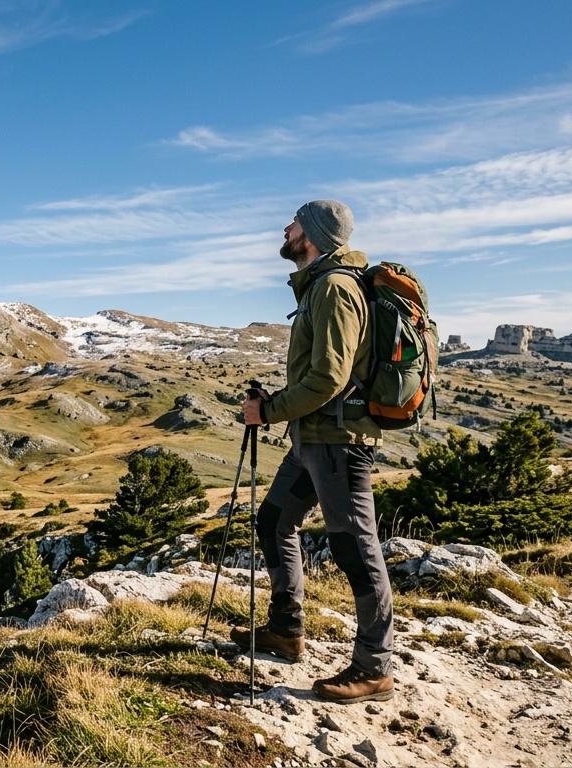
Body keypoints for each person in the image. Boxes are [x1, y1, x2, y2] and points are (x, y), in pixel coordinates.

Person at [231, 199, 395, 704]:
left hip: (339, 446)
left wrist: (269, 409)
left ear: (315, 234)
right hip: (313, 441)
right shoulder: (319, 284)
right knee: (274, 522)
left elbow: (329, 377)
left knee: (355, 548)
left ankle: (374, 669)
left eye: (295, 222)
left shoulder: (335, 289)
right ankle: (287, 630)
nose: (285, 227)